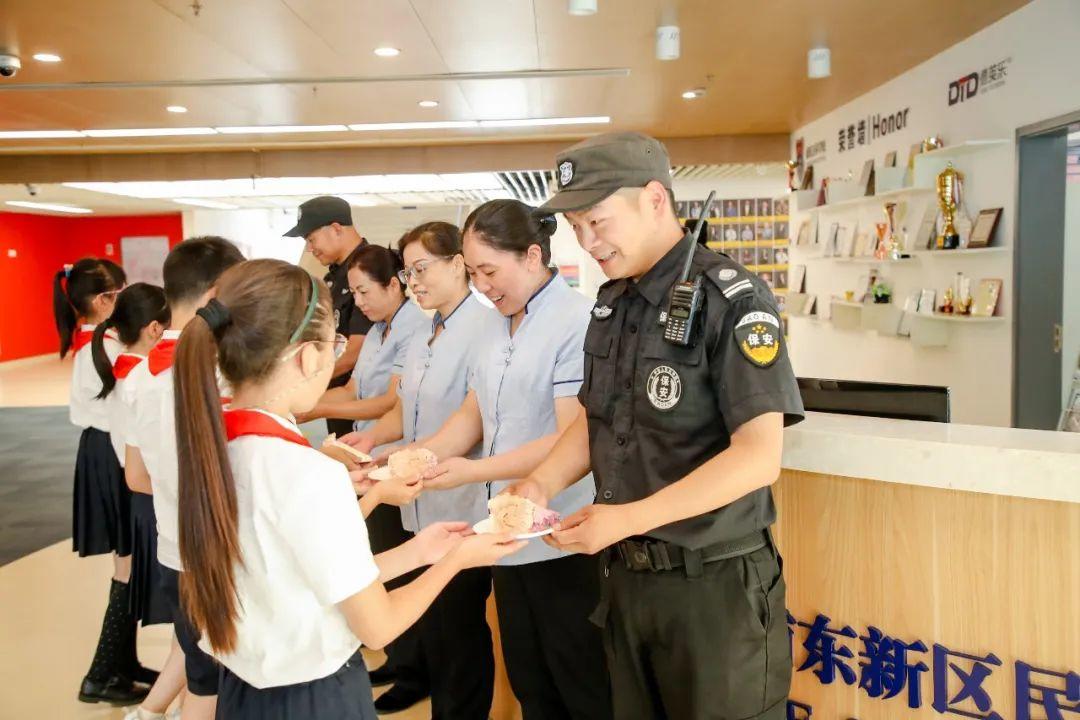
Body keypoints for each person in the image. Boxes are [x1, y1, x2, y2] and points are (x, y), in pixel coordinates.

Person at [509, 132, 805, 720]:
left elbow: (757, 457)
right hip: (627, 582)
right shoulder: (612, 302)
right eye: (575, 226)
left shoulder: (732, 299)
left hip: (714, 589)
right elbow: (598, 419)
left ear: (653, 200)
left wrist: (627, 518)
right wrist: (540, 482)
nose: (587, 242)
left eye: (598, 221)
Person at [170, 257, 523, 719]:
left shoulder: (215, 449)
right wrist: (457, 560)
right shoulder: (307, 473)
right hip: (316, 698)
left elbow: (307, 575)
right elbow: (379, 627)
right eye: (334, 344)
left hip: (244, 693)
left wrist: (419, 553)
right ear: (308, 357)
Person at [416, 200, 612, 720]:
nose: (481, 285)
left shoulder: (575, 321)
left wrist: (475, 470)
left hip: (561, 534)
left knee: (580, 681)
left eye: (489, 271)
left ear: (531, 256)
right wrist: (424, 457)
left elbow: (571, 436)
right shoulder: (492, 324)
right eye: (473, 272)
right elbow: (474, 411)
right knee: (529, 678)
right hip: (505, 532)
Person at [341, 222, 500, 719]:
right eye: (408, 272)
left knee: (458, 631)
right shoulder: (428, 330)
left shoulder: (485, 328)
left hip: (458, 500)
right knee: (433, 626)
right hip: (419, 499)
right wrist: (374, 440)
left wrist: (409, 458)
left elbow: (471, 421)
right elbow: (404, 406)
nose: (414, 282)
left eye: (422, 269)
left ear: (458, 264)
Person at [299, 243, 431, 714]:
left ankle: (413, 668)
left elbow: (388, 403)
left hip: (395, 454)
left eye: (364, 291)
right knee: (375, 555)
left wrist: (312, 405)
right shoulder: (378, 330)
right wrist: (310, 405)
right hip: (368, 455)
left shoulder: (414, 327)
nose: (359, 301)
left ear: (394, 285)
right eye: (352, 293)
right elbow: (356, 388)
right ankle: (398, 657)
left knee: (398, 560)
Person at [126, 237, 245, 720]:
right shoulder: (220, 372)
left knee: (197, 665)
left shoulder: (139, 375)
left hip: (173, 550)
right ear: (216, 292)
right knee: (211, 688)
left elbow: (136, 476)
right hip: (220, 556)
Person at [53, 257, 156, 705]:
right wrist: (138, 477)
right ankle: (100, 675)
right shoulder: (108, 350)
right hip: (112, 459)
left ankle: (122, 664)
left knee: (127, 564)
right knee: (127, 566)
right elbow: (123, 426)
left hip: (103, 455)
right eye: (121, 290)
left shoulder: (96, 342)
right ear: (103, 300)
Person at [91, 283, 189, 720]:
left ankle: (163, 702)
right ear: (154, 329)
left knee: (186, 626)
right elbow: (139, 471)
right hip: (153, 500)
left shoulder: (133, 373)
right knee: (190, 627)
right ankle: (156, 708)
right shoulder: (145, 377)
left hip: (146, 497)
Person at [284, 195, 374, 439]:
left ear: (336, 228)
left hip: (362, 404)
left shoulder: (369, 269)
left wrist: (305, 380)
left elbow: (356, 350)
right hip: (336, 395)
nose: (309, 248)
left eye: (311, 239)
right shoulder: (333, 277)